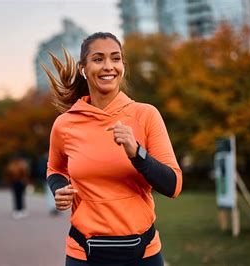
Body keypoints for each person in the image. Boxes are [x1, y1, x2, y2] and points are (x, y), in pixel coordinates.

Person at [43, 32, 183, 265]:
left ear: (123, 66)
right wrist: (59, 188)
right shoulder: (65, 124)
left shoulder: (146, 115)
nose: (109, 66)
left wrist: (136, 153)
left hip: (143, 253)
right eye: (98, 59)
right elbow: (54, 169)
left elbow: (173, 185)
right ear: (83, 69)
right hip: (83, 253)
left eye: (115, 58)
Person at [4, 155, 30, 219]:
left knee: (16, 196)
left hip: (14, 183)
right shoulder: (22, 165)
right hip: (20, 182)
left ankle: (17, 210)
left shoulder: (11, 166)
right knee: (20, 196)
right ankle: (21, 209)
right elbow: (25, 174)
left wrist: (9, 183)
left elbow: (8, 175)